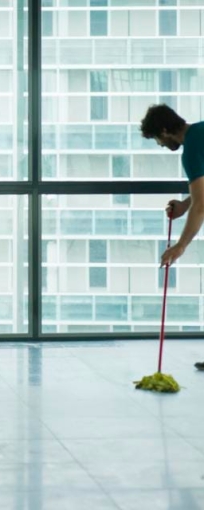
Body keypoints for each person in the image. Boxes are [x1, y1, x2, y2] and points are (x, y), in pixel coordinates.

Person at [141, 103, 204, 370]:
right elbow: (199, 199)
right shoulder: (201, 132)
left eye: (156, 138)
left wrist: (180, 246)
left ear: (165, 131)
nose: (159, 144)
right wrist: (184, 206)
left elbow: (203, 205)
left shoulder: (190, 151)